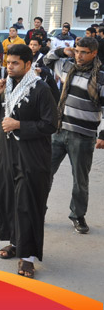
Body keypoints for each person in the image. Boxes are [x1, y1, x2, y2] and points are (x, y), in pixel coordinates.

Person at [0, 44, 57, 279]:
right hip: (7, 153)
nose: (10, 67)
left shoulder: (40, 89)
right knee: (9, 199)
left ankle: (28, 257)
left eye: (15, 63)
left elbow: (51, 124)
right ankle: (16, 243)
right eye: (8, 62)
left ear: (28, 64)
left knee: (28, 203)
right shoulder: (6, 86)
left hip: (32, 156)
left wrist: (19, 125)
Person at [43, 37, 104, 234]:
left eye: (84, 52)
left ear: (94, 53)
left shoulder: (100, 77)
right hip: (59, 131)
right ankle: (38, 209)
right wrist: (62, 51)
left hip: (83, 136)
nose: (79, 55)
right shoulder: (68, 67)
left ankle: (77, 215)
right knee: (44, 173)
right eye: (77, 51)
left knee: (80, 180)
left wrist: (103, 134)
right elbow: (46, 60)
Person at [27, 37, 60, 103]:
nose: (32, 46)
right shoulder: (26, 57)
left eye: (35, 45)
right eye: (31, 44)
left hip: (43, 84)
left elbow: (48, 70)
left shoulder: (43, 57)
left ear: (39, 46)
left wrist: (41, 70)